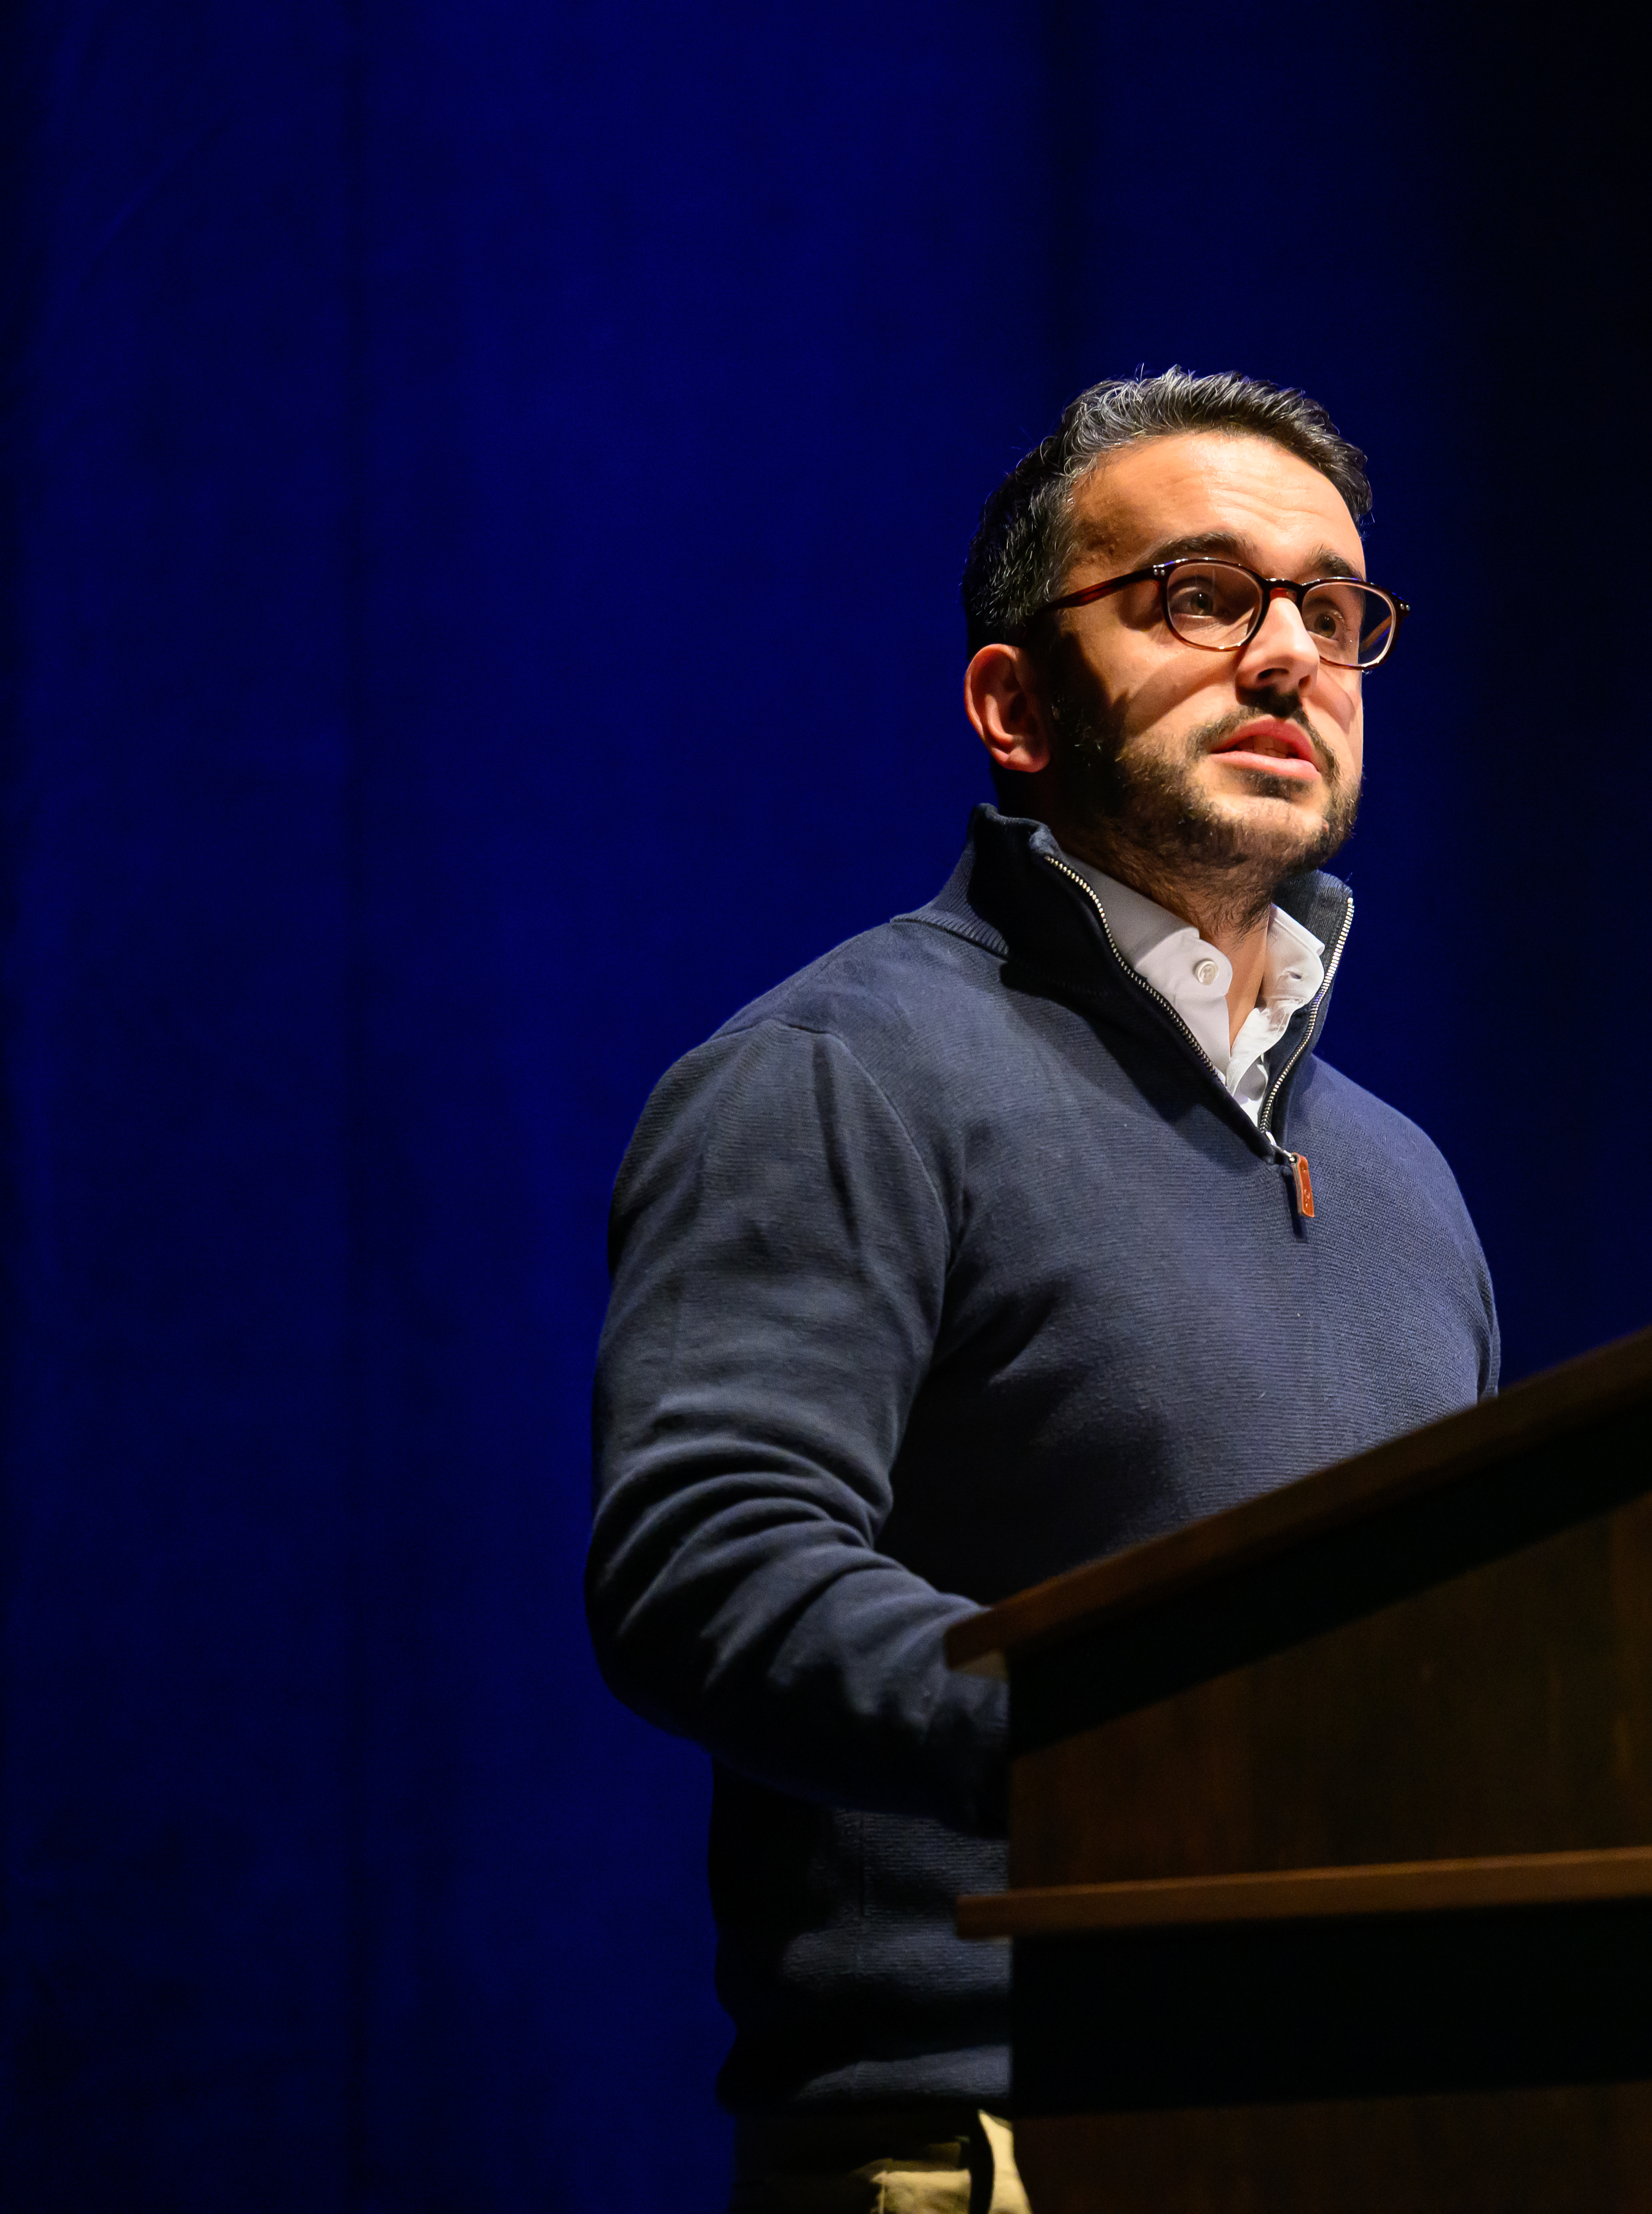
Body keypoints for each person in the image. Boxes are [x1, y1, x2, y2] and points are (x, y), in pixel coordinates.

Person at [588, 371, 1498, 2212]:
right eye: (1198, 595)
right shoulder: (845, 1071)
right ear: (1012, 704)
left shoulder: (1408, 1182)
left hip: (1388, 2130)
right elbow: (707, 1560)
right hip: (996, 2135)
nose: (1286, 659)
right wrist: (1154, 1747)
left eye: (1332, 611)